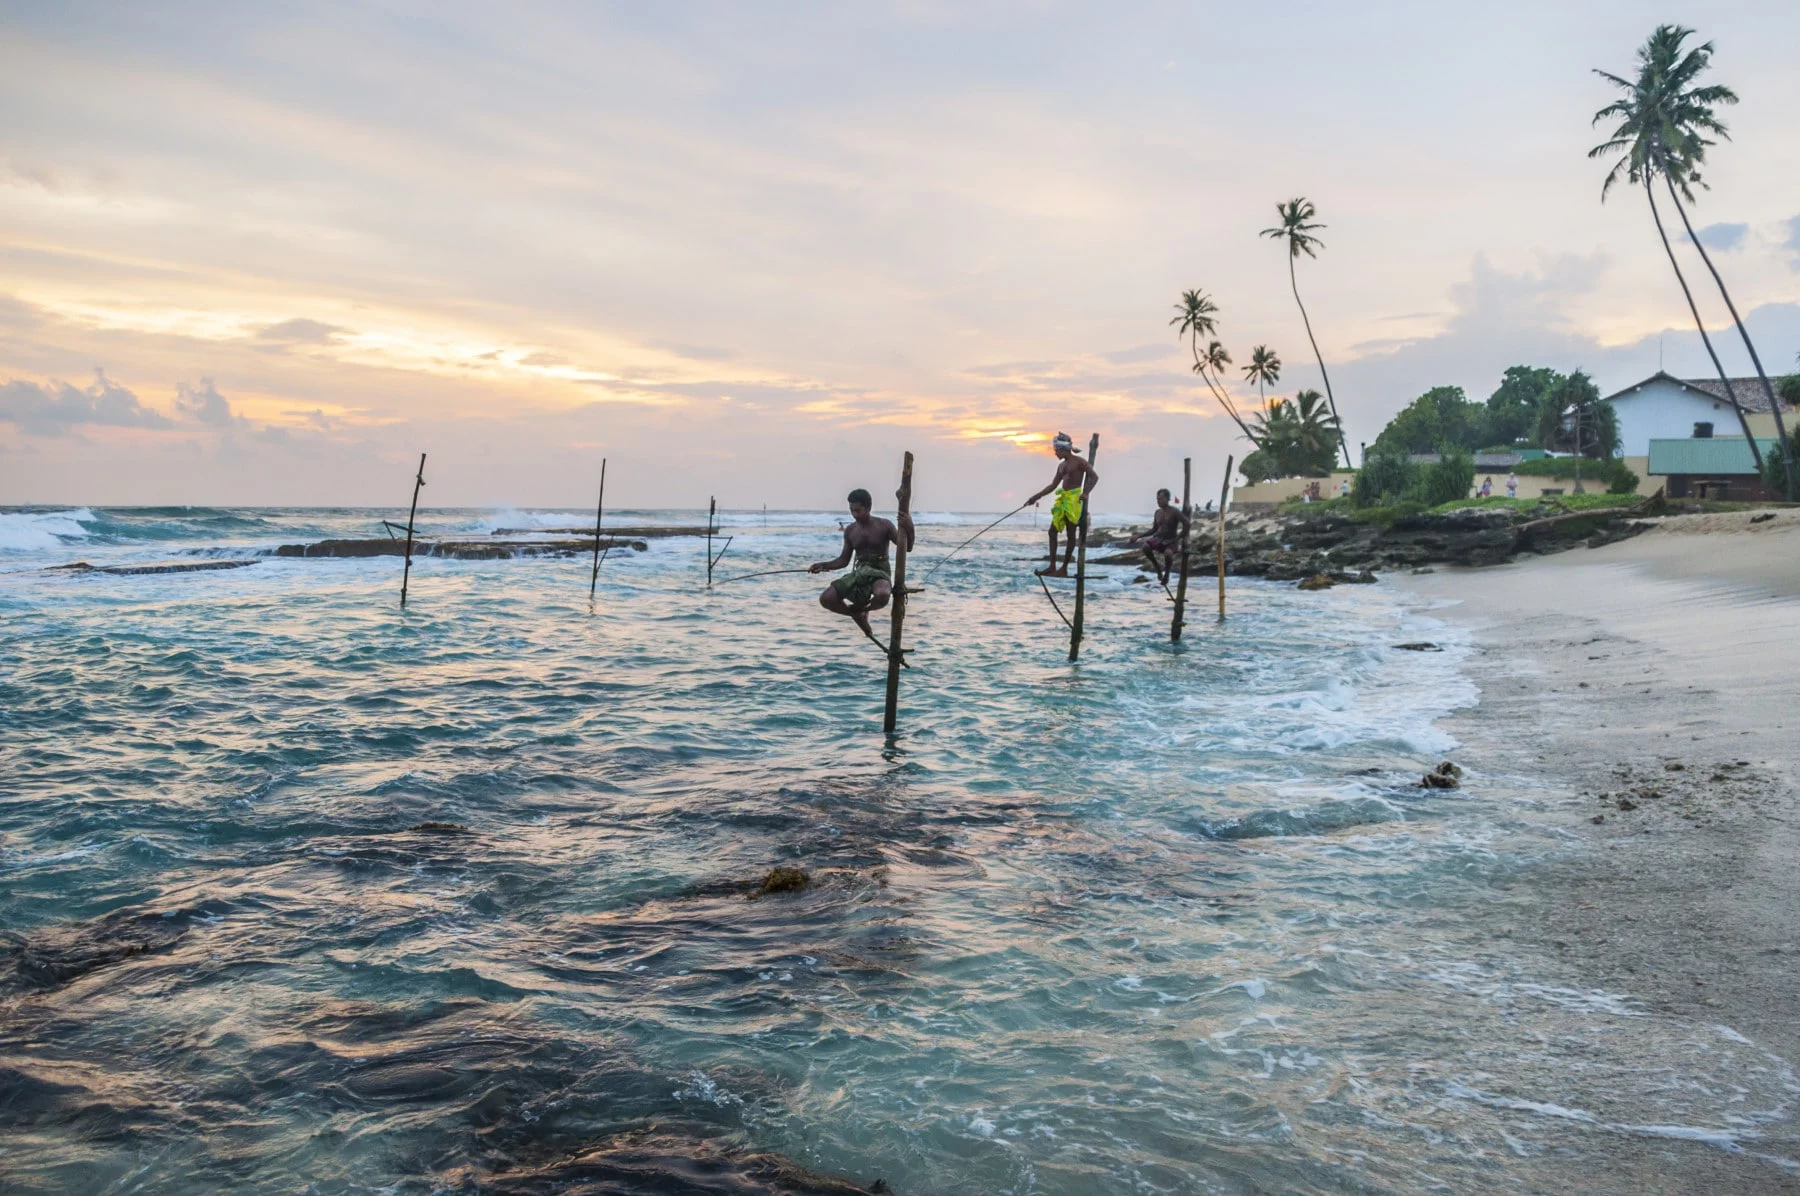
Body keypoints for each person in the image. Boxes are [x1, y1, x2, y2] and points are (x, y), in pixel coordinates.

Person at [810, 488, 915, 639]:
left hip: (879, 570)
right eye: (851, 510)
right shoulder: (850, 530)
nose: (854, 514)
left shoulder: (884, 525)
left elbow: (907, 548)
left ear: (868, 507)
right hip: (860, 571)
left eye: (858, 510)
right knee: (826, 598)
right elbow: (843, 560)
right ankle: (856, 613)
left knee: (883, 594)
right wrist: (823, 565)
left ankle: (865, 609)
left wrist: (910, 527)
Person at [1026, 432, 1099, 577]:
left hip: (1073, 501)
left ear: (1063, 449)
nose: (1055, 453)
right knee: (1052, 531)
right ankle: (1052, 566)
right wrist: (1035, 497)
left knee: (1071, 535)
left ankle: (1064, 568)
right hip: (1063, 500)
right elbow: (1053, 485)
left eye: (1056, 450)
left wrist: (1086, 493)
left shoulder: (1079, 462)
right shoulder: (1061, 466)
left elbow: (1094, 477)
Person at [1128, 488, 1190, 585]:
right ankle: (1157, 568)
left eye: (1161, 499)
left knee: (1168, 554)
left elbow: (1187, 524)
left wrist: (1178, 538)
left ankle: (1167, 574)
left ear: (1167, 499)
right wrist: (1138, 536)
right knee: (1145, 547)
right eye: (1157, 499)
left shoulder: (1174, 511)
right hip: (1159, 538)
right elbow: (1154, 529)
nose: (1158, 501)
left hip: (1170, 539)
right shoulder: (1157, 512)